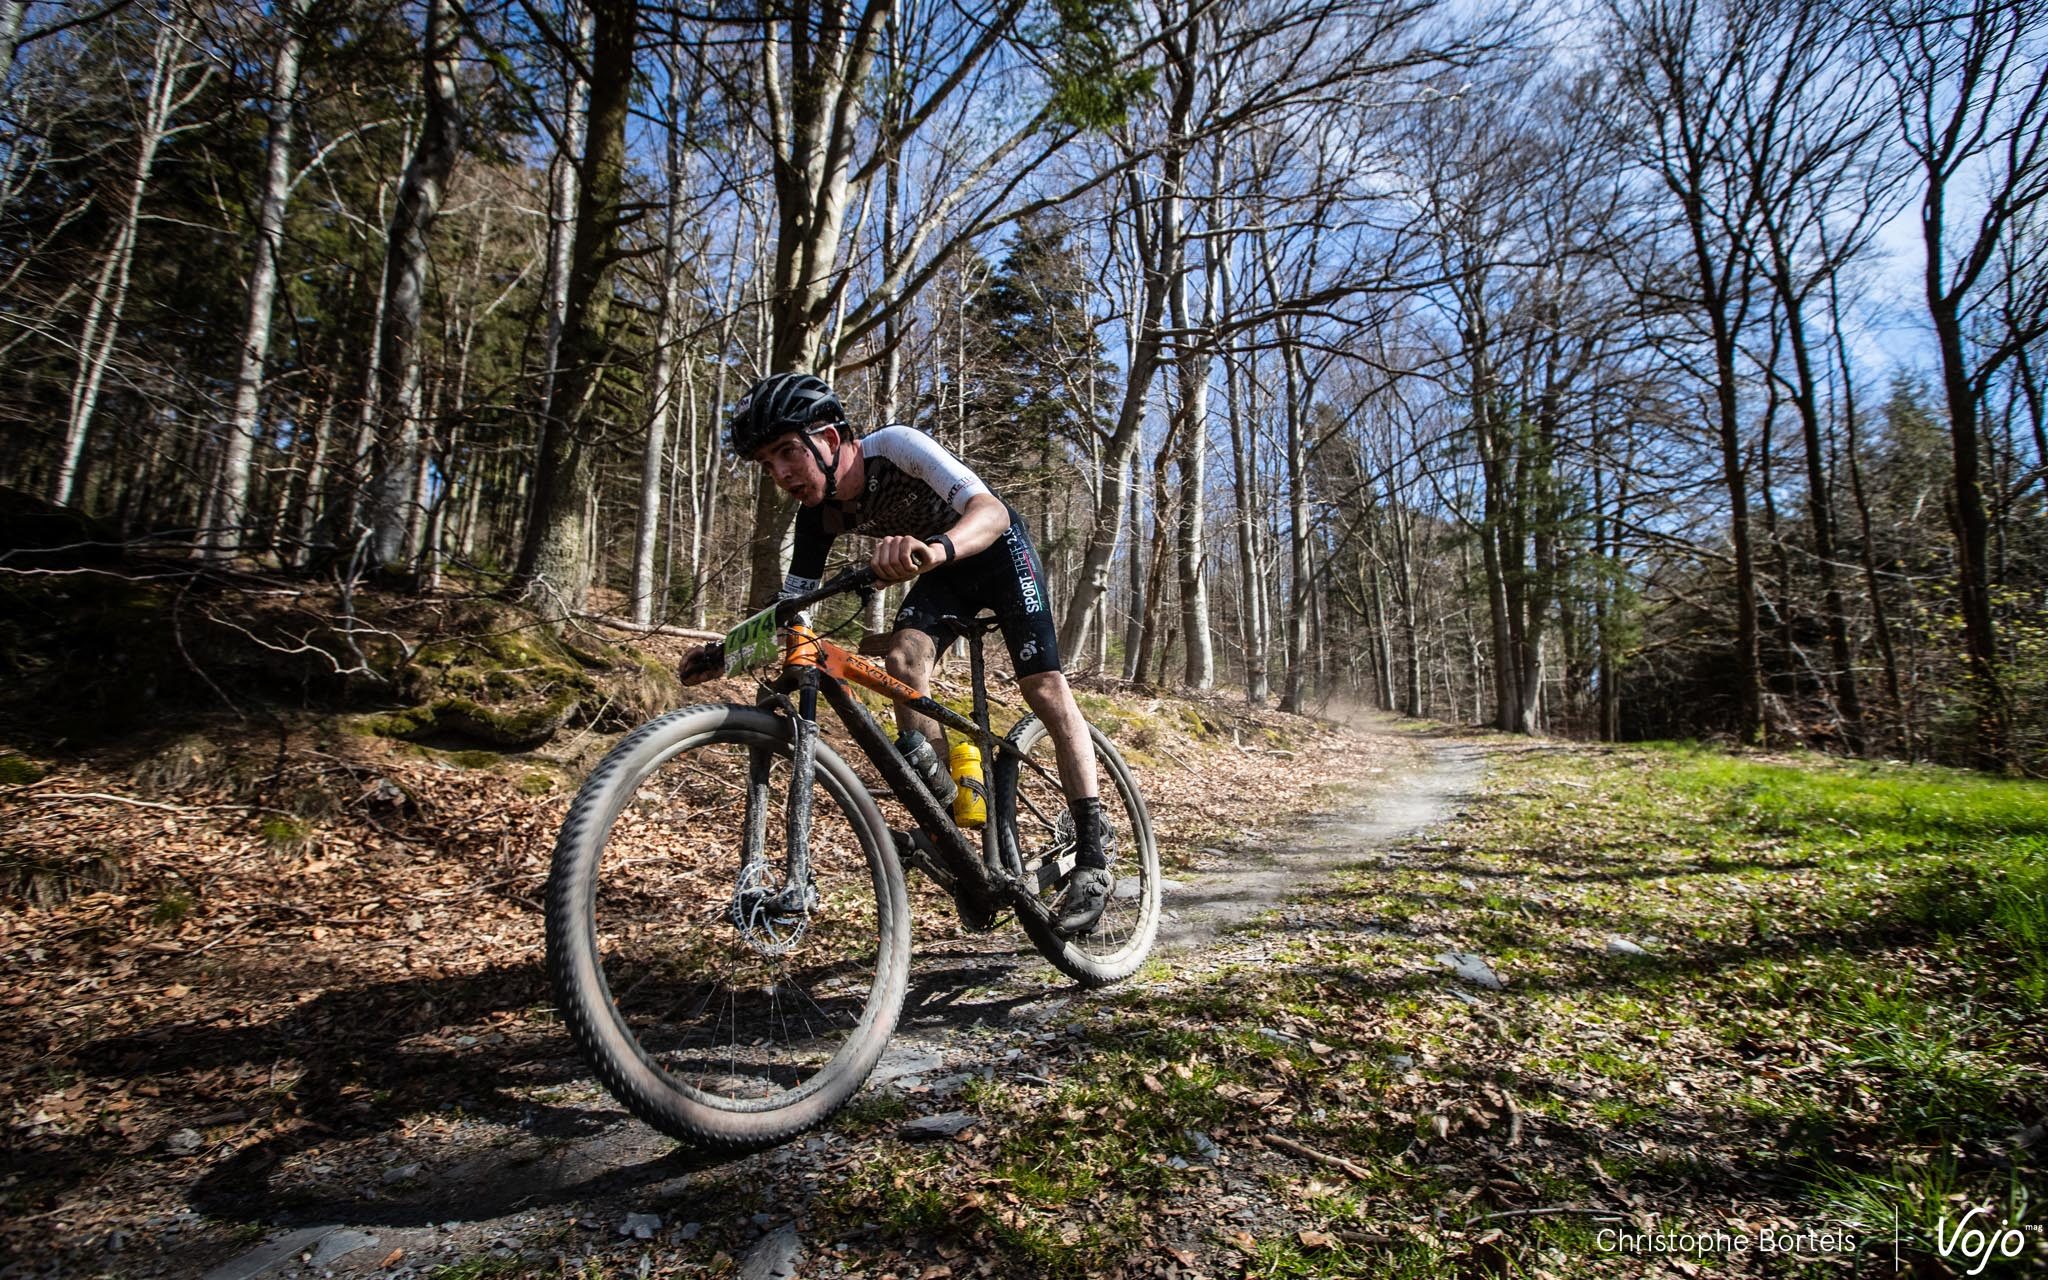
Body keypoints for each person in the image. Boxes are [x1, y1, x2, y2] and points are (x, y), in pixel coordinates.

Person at [679, 372, 1113, 935]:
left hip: (996, 552)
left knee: (1044, 687)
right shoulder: (816, 516)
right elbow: (793, 612)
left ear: (828, 440)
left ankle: (1093, 853)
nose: (780, 473)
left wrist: (935, 551)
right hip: (943, 573)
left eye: (787, 451)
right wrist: (729, 653)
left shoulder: (896, 447)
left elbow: (992, 511)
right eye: (767, 463)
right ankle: (953, 820)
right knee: (903, 662)